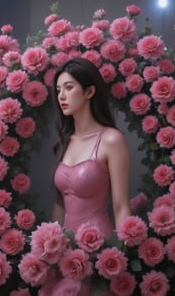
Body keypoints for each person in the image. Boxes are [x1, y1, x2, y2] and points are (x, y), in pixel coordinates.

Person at [52, 57, 131, 237]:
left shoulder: (111, 140)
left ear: (89, 92)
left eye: (69, 87)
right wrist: (51, 252)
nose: (61, 96)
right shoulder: (65, 141)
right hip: (65, 253)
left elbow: (121, 206)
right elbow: (60, 205)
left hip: (101, 250)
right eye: (58, 90)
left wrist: (122, 253)